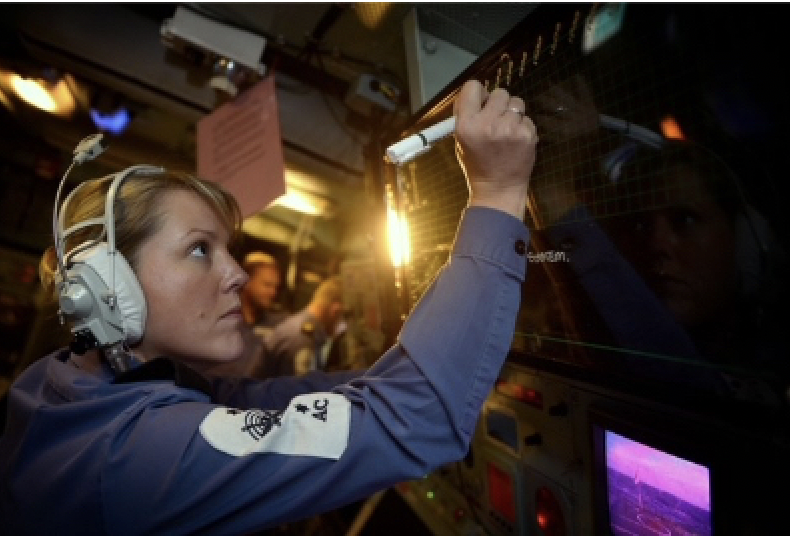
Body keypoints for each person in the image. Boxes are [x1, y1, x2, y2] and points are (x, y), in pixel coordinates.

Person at [0, 79, 537, 535]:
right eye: (199, 250)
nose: (236, 274)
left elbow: (261, 399)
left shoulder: (61, 382)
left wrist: (441, 360)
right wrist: (497, 192)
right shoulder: (140, 452)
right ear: (107, 285)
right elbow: (414, 421)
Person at [257, 275, 346, 378]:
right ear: (335, 311)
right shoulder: (303, 339)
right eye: (345, 316)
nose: (343, 325)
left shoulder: (303, 328)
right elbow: (299, 386)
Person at [241, 251, 288, 337]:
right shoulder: (222, 318)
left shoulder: (280, 323)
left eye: (276, 287)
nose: (273, 293)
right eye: (267, 285)